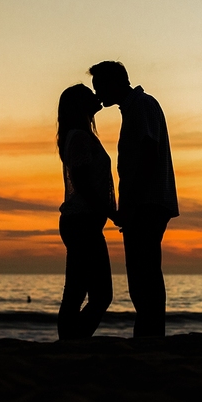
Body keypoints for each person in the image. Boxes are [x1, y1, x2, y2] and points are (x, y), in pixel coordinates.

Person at [89, 61, 178, 337]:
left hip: (147, 204)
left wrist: (131, 204)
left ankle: (150, 335)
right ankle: (150, 332)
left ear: (113, 83)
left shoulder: (140, 106)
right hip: (147, 202)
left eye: (99, 87)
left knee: (143, 274)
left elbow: (148, 154)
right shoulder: (136, 107)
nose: (97, 95)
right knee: (144, 272)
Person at [56, 83, 116, 339]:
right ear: (80, 105)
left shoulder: (81, 135)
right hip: (82, 222)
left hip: (82, 222)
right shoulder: (79, 137)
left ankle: (70, 343)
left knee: (77, 291)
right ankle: (74, 341)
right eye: (89, 95)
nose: (96, 96)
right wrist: (112, 212)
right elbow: (82, 183)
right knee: (100, 295)